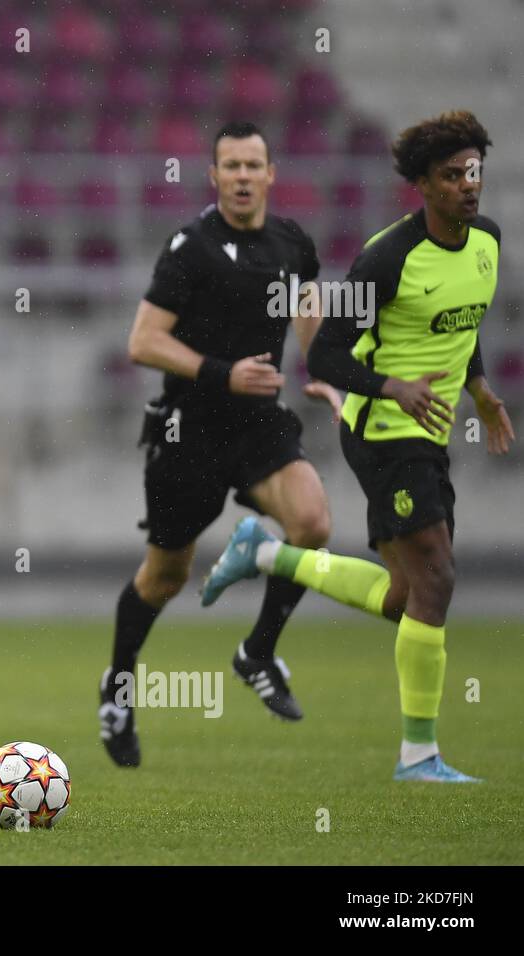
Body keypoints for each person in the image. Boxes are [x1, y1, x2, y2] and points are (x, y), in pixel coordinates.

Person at [202, 110, 512, 783]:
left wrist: (481, 391)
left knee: (407, 597)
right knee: (439, 578)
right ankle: (418, 756)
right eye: (454, 175)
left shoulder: (487, 242)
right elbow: (329, 356)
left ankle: (266, 552)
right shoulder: (387, 259)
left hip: (425, 434)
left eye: (475, 173)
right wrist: (390, 386)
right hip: (383, 430)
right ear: (424, 185)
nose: (468, 185)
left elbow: (463, 324)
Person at [99, 121, 342, 768]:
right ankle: (118, 687)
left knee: (313, 524)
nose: (241, 176)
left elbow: (310, 316)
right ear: (213, 177)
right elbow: (142, 341)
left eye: (252, 165)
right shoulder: (192, 248)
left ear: (270, 174)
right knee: (166, 575)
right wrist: (221, 371)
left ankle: (257, 651)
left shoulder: (293, 244)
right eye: (229, 165)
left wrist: (333, 378)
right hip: (189, 430)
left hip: (260, 424)